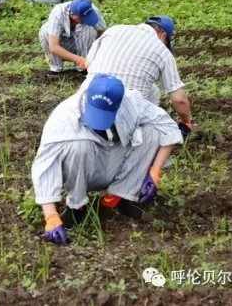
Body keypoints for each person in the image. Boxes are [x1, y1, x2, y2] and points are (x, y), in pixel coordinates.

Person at [31, 73, 184, 245]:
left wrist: (155, 172)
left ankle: (116, 198)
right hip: (85, 167)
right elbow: (43, 167)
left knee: (152, 132)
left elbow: (169, 128)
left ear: (119, 105)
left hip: (114, 157)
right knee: (78, 146)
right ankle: (77, 205)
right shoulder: (64, 117)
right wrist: (51, 216)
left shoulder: (132, 101)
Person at [78, 16, 193, 138]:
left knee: (153, 90)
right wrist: (186, 122)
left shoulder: (113, 30)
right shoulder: (162, 50)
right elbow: (179, 100)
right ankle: (139, 128)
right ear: (163, 35)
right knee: (160, 130)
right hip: (122, 115)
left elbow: (87, 64)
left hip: (85, 99)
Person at [39, 0, 106, 78]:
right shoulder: (58, 13)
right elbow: (53, 47)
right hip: (61, 43)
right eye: (83, 18)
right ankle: (56, 68)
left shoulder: (92, 10)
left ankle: (83, 68)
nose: (86, 20)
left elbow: (102, 32)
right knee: (45, 30)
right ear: (72, 14)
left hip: (82, 43)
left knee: (89, 29)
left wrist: (98, 52)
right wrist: (79, 60)